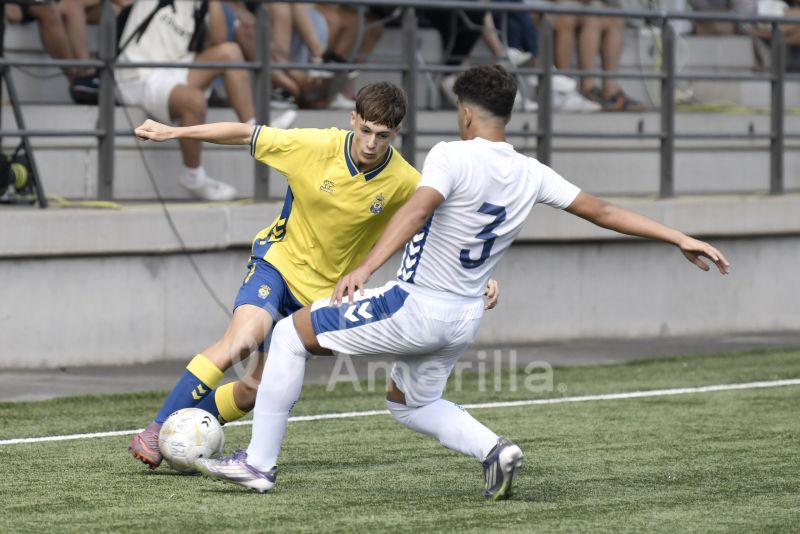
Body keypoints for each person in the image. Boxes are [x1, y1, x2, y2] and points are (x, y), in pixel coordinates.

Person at [194, 65, 730, 498]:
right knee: (410, 403)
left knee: (290, 335)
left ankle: (258, 465)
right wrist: (677, 236)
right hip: (465, 316)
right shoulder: (533, 172)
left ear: (466, 113)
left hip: (414, 305)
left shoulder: (451, 154)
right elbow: (604, 210)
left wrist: (364, 268)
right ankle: (494, 450)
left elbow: (416, 211)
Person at [129, 82, 483, 470]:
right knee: (242, 341)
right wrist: (173, 131)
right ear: (353, 119)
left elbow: (446, 222)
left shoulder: (403, 180)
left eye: (382, 136)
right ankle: (157, 426)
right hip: (278, 264)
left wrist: (479, 278)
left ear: (395, 134)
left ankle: (185, 435)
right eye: (365, 130)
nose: (370, 143)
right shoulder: (313, 146)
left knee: (252, 391)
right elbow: (245, 133)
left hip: (323, 296)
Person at [115, 0, 294, 202]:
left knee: (230, 52)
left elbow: (218, 38)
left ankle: (255, 131)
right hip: (138, 75)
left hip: (176, 66)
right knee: (194, 100)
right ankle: (193, 177)